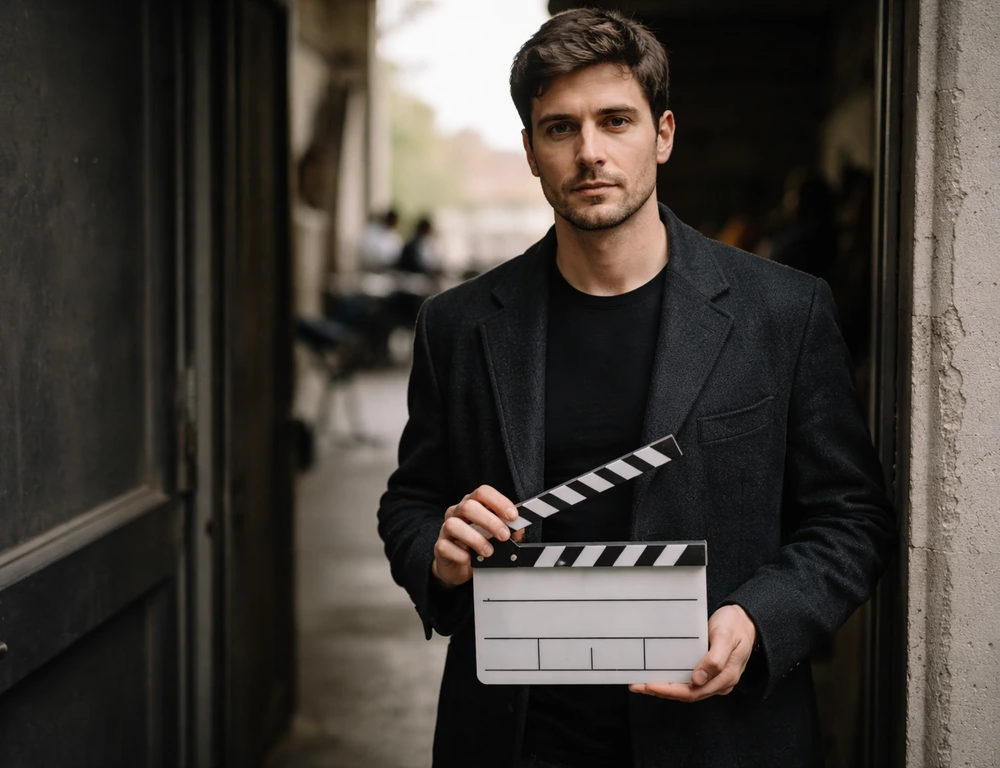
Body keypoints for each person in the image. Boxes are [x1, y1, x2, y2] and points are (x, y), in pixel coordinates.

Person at [377, 9, 896, 768]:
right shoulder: (458, 326)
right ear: (529, 151)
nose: (590, 152)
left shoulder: (782, 312)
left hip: (719, 734)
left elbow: (853, 516)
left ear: (663, 133)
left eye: (615, 120)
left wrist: (760, 616)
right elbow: (411, 503)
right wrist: (440, 552)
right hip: (520, 739)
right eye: (560, 129)